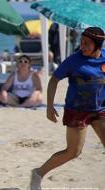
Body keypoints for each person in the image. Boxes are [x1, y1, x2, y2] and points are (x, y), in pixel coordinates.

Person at [30, 27, 105, 190]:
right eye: (81, 42)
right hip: (77, 110)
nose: (82, 46)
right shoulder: (73, 60)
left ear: (98, 46)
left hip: (100, 110)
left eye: (87, 44)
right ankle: (38, 173)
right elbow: (54, 80)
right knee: (73, 152)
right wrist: (49, 106)